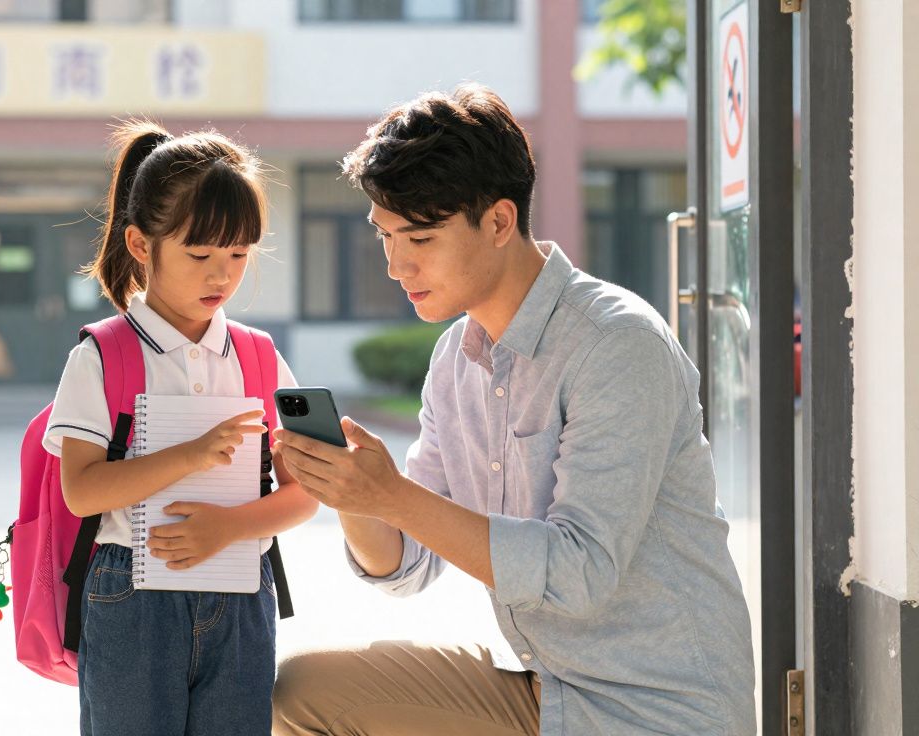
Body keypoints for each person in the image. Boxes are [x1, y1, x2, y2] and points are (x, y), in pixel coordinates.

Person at [271, 85, 757, 735]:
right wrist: (354, 495)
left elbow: (578, 573)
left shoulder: (616, 343)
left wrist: (393, 497)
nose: (395, 264)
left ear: (499, 222)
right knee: (300, 691)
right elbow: (405, 565)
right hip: (545, 686)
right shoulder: (455, 360)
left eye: (419, 236)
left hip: (654, 710)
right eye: (385, 235)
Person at [45, 121, 318, 736]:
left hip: (243, 593)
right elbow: (82, 491)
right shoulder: (103, 355)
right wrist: (190, 456)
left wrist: (231, 527)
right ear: (141, 245)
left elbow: (308, 493)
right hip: (130, 597)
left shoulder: (260, 357)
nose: (222, 277)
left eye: (239, 255)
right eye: (200, 255)